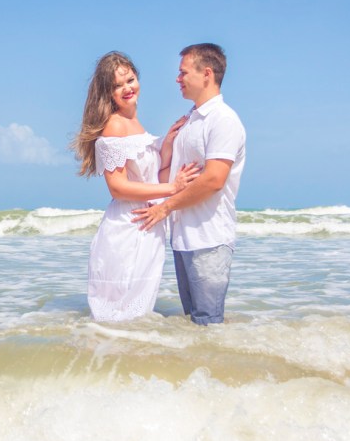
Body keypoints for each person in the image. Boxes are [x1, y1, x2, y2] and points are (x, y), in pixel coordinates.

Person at [72, 51, 199, 322]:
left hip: (147, 227)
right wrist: (173, 188)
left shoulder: (134, 122)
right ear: (108, 93)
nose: (127, 88)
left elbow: (145, 173)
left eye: (130, 80)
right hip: (127, 228)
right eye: (117, 86)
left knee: (136, 314)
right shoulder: (115, 125)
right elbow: (117, 187)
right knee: (119, 314)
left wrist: (164, 146)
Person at [132, 43, 246, 325]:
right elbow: (169, 178)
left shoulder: (223, 120)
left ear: (206, 73)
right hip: (183, 237)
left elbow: (214, 180)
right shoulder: (189, 122)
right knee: (192, 323)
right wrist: (168, 146)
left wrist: (165, 208)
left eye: (183, 73)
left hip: (209, 238)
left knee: (208, 322)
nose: (177, 79)